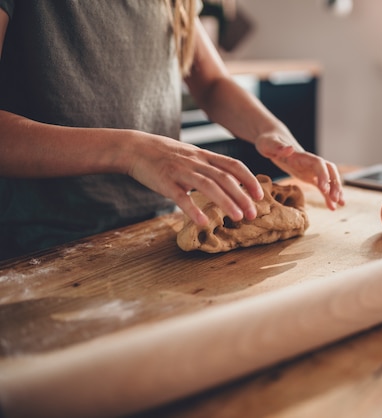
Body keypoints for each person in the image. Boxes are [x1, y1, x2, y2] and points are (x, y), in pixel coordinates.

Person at [0, 1, 344, 261]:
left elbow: (210, 82)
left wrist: (271, 132)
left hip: (158, 230)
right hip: (42, 246)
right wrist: (129, 150)